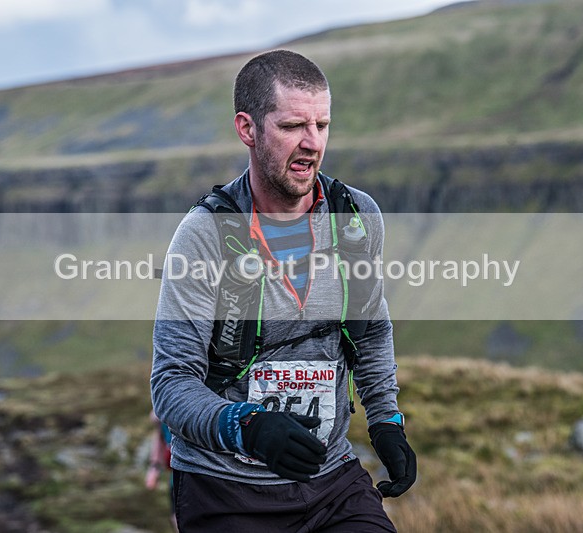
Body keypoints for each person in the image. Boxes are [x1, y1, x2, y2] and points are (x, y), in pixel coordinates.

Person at [150, 49, 416, 531]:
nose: (313, 143)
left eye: (322, 125)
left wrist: (385, 422)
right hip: (223, 487)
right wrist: (249, 427)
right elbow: (171, 385)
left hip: (330, 481)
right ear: (247, 129)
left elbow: (370, 334)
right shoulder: (203, 236)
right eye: (293, 126)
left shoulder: (356, 219)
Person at [144, 410, 177, 531]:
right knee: (176, 518)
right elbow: (159, 439)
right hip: (176, 478)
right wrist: (154, 467)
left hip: (198, 475)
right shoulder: (161, 418)